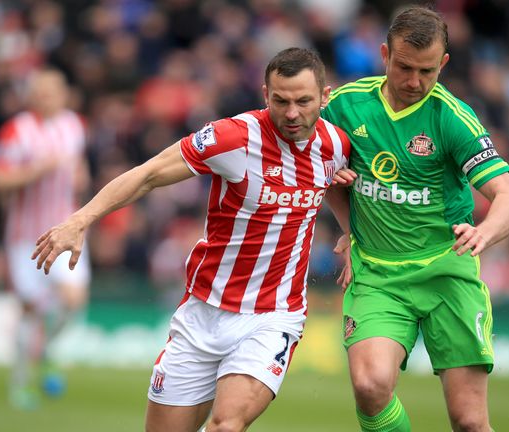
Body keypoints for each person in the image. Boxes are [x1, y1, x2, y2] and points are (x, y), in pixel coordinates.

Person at [32, 48, 350, 432]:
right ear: (265, 94)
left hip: (273, 316)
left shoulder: (336, 146)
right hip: (204, 312)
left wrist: (351, 234)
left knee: (225, 425)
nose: (293, 113)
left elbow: (335, 183)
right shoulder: (232, 137)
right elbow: (149, 173)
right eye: (281, 101)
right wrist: (81, 219)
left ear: (325, 97)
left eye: (303, 101)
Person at [322, 6, 509, 432]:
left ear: (444, 64)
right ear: (384, 55)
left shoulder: (453, 118)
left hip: (446, 272)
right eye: (404, 67)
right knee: (370, 384)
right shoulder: (344, 106)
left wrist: (485, 231)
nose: (414, 82)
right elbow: (313, 167)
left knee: (469, 421)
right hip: (378, 274)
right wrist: (347, 227)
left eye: (427, 71)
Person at [0, 68, 92, 410]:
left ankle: (46, 347)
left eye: (54, 92)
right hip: (25, 237)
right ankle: (19, 384)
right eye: (42, 92)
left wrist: (80, 175)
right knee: (31, 308)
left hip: (65, 228)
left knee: (74, 299)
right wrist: (37, 170)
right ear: (32, 96)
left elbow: (79, 168)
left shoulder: (73, 126)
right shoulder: (17, 130)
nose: (48, 98)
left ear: (63, 95)